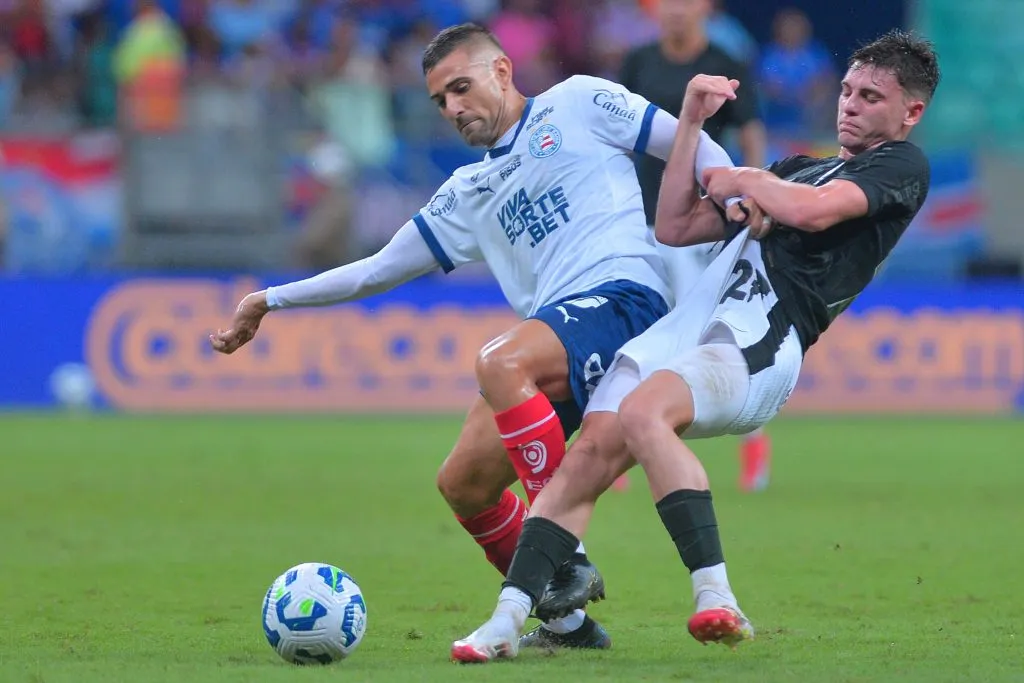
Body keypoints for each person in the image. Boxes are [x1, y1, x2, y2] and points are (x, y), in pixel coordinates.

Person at [209, 22, 739, 650]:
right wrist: (269, 299)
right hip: (556, 337)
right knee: (462, 482)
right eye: (440, 100)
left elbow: (687, 140)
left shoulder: (578, 101)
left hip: (625, 301)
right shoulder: (466, 191)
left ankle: (564, 554)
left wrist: (730, 191)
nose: (454, 108)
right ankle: (569, 627)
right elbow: (376, 269)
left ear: (503, 72)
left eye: (462, 87)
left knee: (498, 359)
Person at [450, 29, 939, 662]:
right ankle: (507, 622)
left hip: (762, 336)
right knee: (585, 457)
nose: (850, 104)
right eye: (847, 90)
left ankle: (717, 597)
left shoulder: (901, 166)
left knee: (643, 411)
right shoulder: (798, 169)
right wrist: (690, 124)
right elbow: (675, 224)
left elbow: (814, 213)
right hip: (692, 328)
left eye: (870, 96)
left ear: (910, 112)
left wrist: (748, 180)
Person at [619, 0, 770, 492]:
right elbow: (621, 136)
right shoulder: (638, 61)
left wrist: (756, 192)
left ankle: (753, 444)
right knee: (630, 322)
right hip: (639, 216)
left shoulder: (727, 63)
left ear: (705, 9)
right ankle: (612, 441)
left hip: (701, 220)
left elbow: (749, 131)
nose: (676, 11)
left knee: (711, 331)